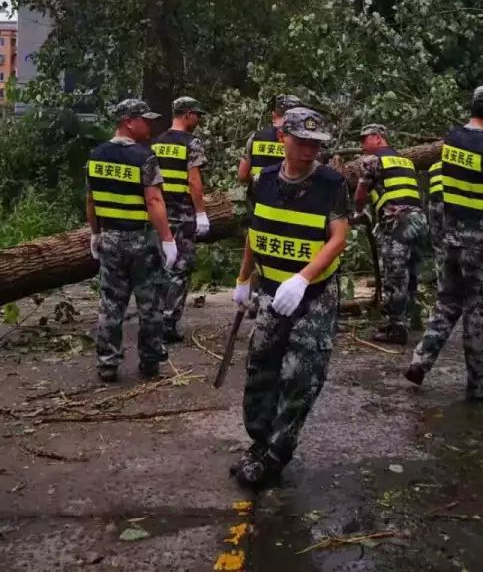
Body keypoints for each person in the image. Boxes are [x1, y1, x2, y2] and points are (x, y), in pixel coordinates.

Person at [228, 107, 351, 488]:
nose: (309, 150)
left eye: (316, 144)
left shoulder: (331, 183)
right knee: (261, 367)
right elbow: (255, 230)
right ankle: (259, 443)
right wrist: (244, 278)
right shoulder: (264, 179)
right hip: (270, 294)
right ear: (283, 138)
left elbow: (338, 238)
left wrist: (302, 278)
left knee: (300, 375)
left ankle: (276, 456)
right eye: (302, 142)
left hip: (312, 295)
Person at [404, 84, 483, 402]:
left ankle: (421, 360)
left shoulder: (453, 139)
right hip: (482, 244)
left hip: (452, 238)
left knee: (448, 303)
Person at [86, 99, 178, 382]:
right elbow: (153, 199)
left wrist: (96, 232)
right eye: (144, 120)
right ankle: (150, 362)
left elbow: (90, 199)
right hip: (141, 241)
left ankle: (107, 362)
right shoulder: (144, 157)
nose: (148, 125)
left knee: (111, 303)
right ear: (128, 121)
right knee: (149, 304)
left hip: (110, 240)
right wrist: (168, 240)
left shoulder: (96, 155)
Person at [354, 124, 429, 344]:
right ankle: (409, 319)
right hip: (420, 221)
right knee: (412, 273)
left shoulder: (372, 161)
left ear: (378, 138)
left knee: (395, 276)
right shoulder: (405, 161)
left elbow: (360, 195)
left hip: (398, 223)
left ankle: (395, 328)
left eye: (364, 139)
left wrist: (359, 212)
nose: (361, 145)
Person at [152, 96, 209, 343]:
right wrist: (201, 213)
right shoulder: (191, 143)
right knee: (181, 267)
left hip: (161, 214)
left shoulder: (156, 142)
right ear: (187, 115)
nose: (198, 119)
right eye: (197, 114)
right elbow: (194, 181)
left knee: (161, 265)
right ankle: (169, 322)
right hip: (183, 214)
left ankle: (153, 318)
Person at [236, 94, 304, 188]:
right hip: (291, 199)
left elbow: (242, 175)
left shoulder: (255, 137)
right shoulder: (305, 142)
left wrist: (258, 179)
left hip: (260, 197)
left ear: (273, 114)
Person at [427, 159, 445, 279]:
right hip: (449, 204)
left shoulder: (433, 166)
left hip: (434, 205)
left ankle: (442, 278)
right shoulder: (457, 164)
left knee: (438, 246)